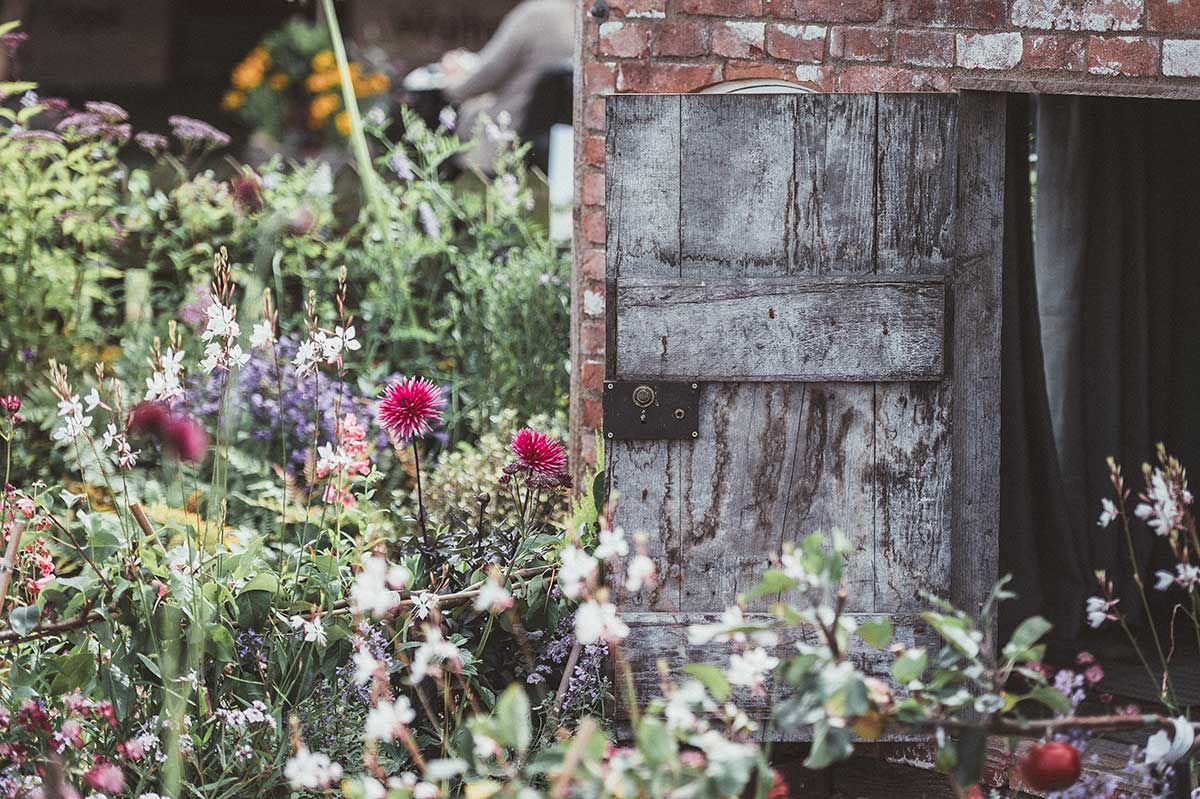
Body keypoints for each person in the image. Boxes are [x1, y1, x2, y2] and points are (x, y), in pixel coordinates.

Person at [442, 0, 573, 173]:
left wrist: (452, 82)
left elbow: (487, 74)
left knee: (452, 115)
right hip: (552, 131)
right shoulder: (581, 16)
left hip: (509, 125)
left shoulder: (535, 14)